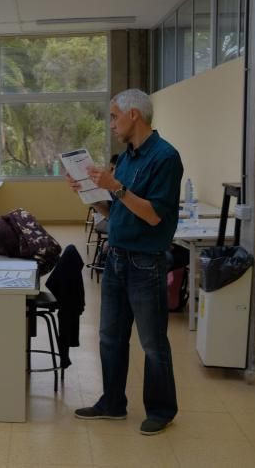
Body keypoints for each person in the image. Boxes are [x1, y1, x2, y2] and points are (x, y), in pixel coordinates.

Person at [66, 89, 182, 436]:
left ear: (135, 115)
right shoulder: (128, 157)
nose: (112, 123)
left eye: (114, 116)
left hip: (145, 263)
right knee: (110, 337)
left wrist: (114, 186)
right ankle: (113, 402)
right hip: (115, 258)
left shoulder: (165, 158)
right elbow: (118, 209)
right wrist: (91, 195)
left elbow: (154, 216)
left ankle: (161, 409)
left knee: (152, 342)